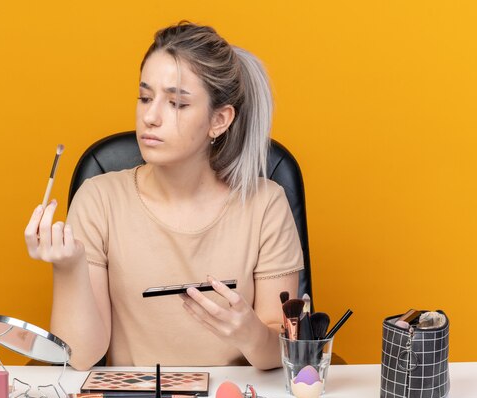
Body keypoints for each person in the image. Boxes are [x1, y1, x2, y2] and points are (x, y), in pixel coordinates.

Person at [24, 22, 304, 371]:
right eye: (144, 98)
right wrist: (68, 268)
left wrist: (249, 333)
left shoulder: (266, 204)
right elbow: (80, 358)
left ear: (219, 119)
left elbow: (285, 353)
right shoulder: (99, 199)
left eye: (176, 103)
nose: (150, 117)